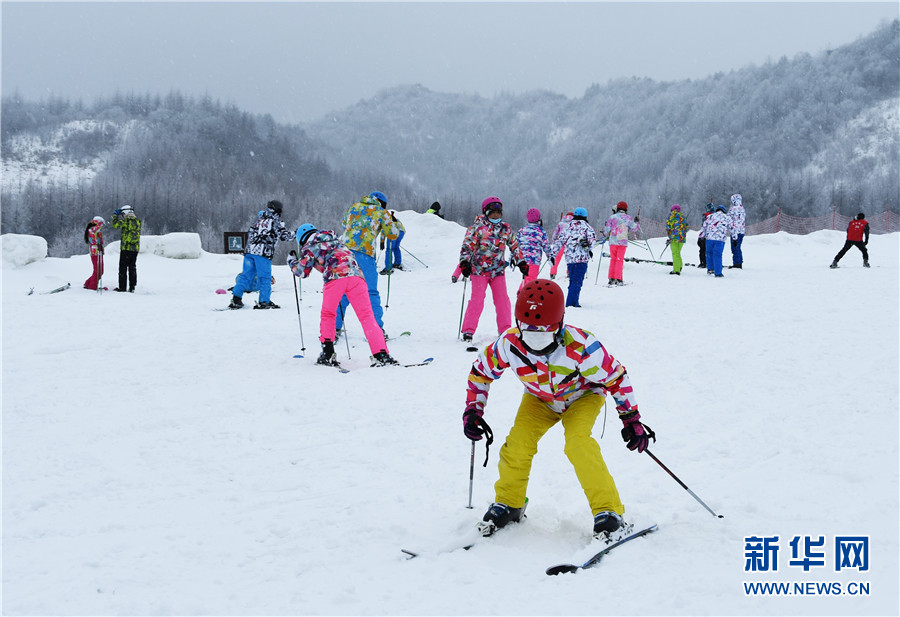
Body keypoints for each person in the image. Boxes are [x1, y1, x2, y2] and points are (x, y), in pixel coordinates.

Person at [462, 279, 655, 539]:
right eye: (528, 331)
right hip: (538, 399)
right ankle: (510, 503)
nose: (535, 339)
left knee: (578, 443)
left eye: (543, 332)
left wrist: (631, 419)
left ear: (559, 323)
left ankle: (609, 512)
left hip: (582, 396)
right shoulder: (509, 343)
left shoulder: (582, 345)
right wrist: (474, 410)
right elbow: (480, 373)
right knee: (517, 444)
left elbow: (616, 378)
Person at [288, 224, 398, 366]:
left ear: (302, 239)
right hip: (357, 277)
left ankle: (327, 354)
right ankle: (381, 354)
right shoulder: (336, 240)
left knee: (328, 314)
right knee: (367, 316)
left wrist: (291, 261)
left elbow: (302, 272)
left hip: (335, 278)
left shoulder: (311, 245)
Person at [458, 197, 527, 343]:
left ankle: (505, 329)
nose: (496, 216)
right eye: (492, 213)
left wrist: (521, 261)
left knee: (502, 300)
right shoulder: (477, 228)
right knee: (477, 300)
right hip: (479, 271)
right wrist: (465, 262)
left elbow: (514, 245)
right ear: (485, 212)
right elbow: (467, 246)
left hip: (497, 271)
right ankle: (468, 331)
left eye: (498, 213)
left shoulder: (505, 229)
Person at [335, 191, 400, 337]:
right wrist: (391, 220)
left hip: (345, 254)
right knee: (370, 292)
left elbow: (344, 223)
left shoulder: (354, 207)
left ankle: (334, 328)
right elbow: (393, 234)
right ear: (382, 203)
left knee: (344, 291)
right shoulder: (381, 212)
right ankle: (377, 330)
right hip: (365, 254)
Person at [228, 200, 295, 309]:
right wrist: (295, 234)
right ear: (278, 210)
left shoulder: (258, 219)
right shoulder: (274, 220)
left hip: (249, 251)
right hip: (263, 252)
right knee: (265, 277)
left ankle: (236, 298)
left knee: (246, 275)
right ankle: (264, 301)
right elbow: (283, 235)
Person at [551, 207, 597, 307]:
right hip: (582, 259)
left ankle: (571, 299)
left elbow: (560, 241)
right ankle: (572, 303)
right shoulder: (587, 227)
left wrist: (553, 254)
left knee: (573, 280)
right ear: (585, 216)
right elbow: (593, 243)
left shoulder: (568, 227)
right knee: (577, 281)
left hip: (570, 258)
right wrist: (587, 247)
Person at [515, 208, 554, 289]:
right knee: (531, 281)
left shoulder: (522, 230)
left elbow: (515, 245)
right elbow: (546, 246)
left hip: (522, 259)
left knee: (526, 279)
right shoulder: (540, 231)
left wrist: (514, 257)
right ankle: (524, 297)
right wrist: (550, 256)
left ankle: (521, 294)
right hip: (534, 260)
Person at [603, 201, 640, 285]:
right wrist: (636, 222)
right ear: (626, 209)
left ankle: (611, 278)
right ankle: (618, 278)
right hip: (622, 242)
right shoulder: (629, 218)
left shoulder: (612, 217)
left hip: (613, 242)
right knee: (619, 260)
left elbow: (606, 231)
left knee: (613, 259)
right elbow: (634, 229)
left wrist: (606, 230)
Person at [111, 204, 141, 292]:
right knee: (132, 267)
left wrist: (115, 215)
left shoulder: (126, 221)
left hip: (126, 248)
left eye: (123, 214)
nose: (122, 216)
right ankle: (132, 287)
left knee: (123, 268)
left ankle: (122, 287)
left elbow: (115, 225)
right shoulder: (137, 221)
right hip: (135, 249)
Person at [701, 205, 733, 277]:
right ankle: (718, 273)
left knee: (709, 253)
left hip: (709, 238)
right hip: (720, 239)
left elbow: (704, 227)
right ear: (724, 211)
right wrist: (734, 238)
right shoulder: (727, 217)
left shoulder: (710, 216)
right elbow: (732, 229)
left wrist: (701, 236)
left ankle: (710, 269)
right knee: (717, 255)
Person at [548, 212, 574, 280]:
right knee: (569, 258)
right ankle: (569, 273)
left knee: (556, 258)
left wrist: (554, 242)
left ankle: (553, 273)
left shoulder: (561, 223)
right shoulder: (573, 224)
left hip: (559, 242)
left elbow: (555, 234)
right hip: (569, 242)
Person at [83, 216, 105, 290]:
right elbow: (97, 228)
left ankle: (88, 283)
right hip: (95, 252)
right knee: (98, 270)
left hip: (98, 251)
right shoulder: (92, 230)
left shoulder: (95, 230)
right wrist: (100, 223)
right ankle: (92, 286)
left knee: (100, 271)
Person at [665, 205, 688, 275]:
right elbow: (687, 227)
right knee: (678, 253)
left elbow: (668, 227)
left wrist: (670, 236)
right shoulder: (682, 216)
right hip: (682, 238)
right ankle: (679, 266)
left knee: (675, 253)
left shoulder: (670, 216)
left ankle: (676, 270)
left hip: (674, 238)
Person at [729, 194, 746, 269]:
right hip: (741, 231)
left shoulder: (733, 209)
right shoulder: (742, 208)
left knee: (734, 248)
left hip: (735, 232)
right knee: (738, 247)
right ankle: (739, 261)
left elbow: (729, 219)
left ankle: (737, 264)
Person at [697, 202, 714, 269]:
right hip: (712, 236)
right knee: (711, 251)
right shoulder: (715, 215)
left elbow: (703, 226)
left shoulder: (706, 216)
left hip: (704, 236)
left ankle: (703, 263)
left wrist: (700, 237)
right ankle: (711, 263)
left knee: (702, 250)